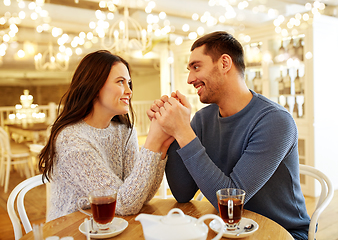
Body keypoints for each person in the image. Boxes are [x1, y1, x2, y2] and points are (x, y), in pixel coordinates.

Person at [147, 31, 310, 239]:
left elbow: (231, 202)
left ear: (225, 63)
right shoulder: (203, 119)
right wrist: (170, 132)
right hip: (228, 229)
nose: (189, 79)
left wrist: (183, 131)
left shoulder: (275, 121)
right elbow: (182, 192)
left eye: (196, 67)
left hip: (282, 233)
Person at [39, 50, 173, 222]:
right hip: (72, 229)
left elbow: (140, 196)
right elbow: (123, 204)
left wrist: (162, 145)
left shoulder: (124, 131)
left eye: (129, 83)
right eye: (120, 82)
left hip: (112, 225)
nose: (129, 91)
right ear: (94, 87)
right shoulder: (72, 139)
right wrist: (153, 141)